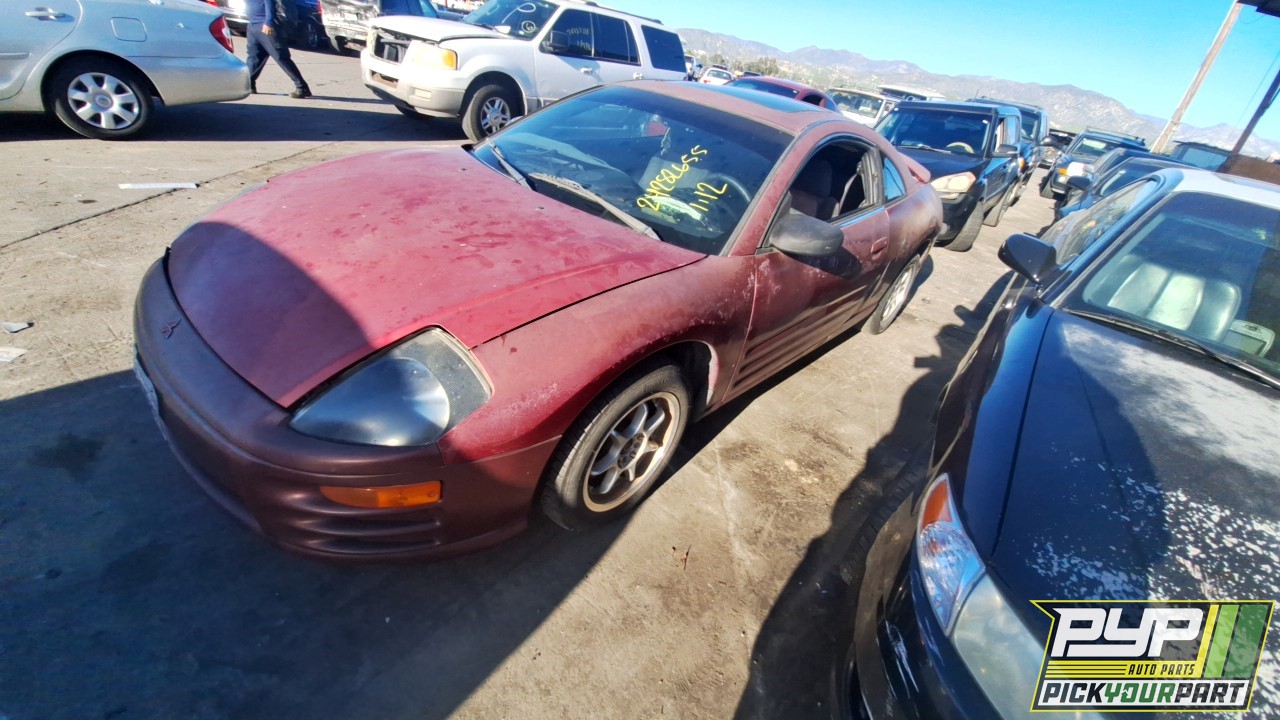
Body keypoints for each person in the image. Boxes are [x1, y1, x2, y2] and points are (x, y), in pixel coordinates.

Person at [245, 0, 311, 99]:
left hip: (265, 25)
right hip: (253, 25)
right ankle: (249, 84)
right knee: (254, 56)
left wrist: (268, 22)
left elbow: (270, 3)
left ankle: (302, 87)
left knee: (281, 57)